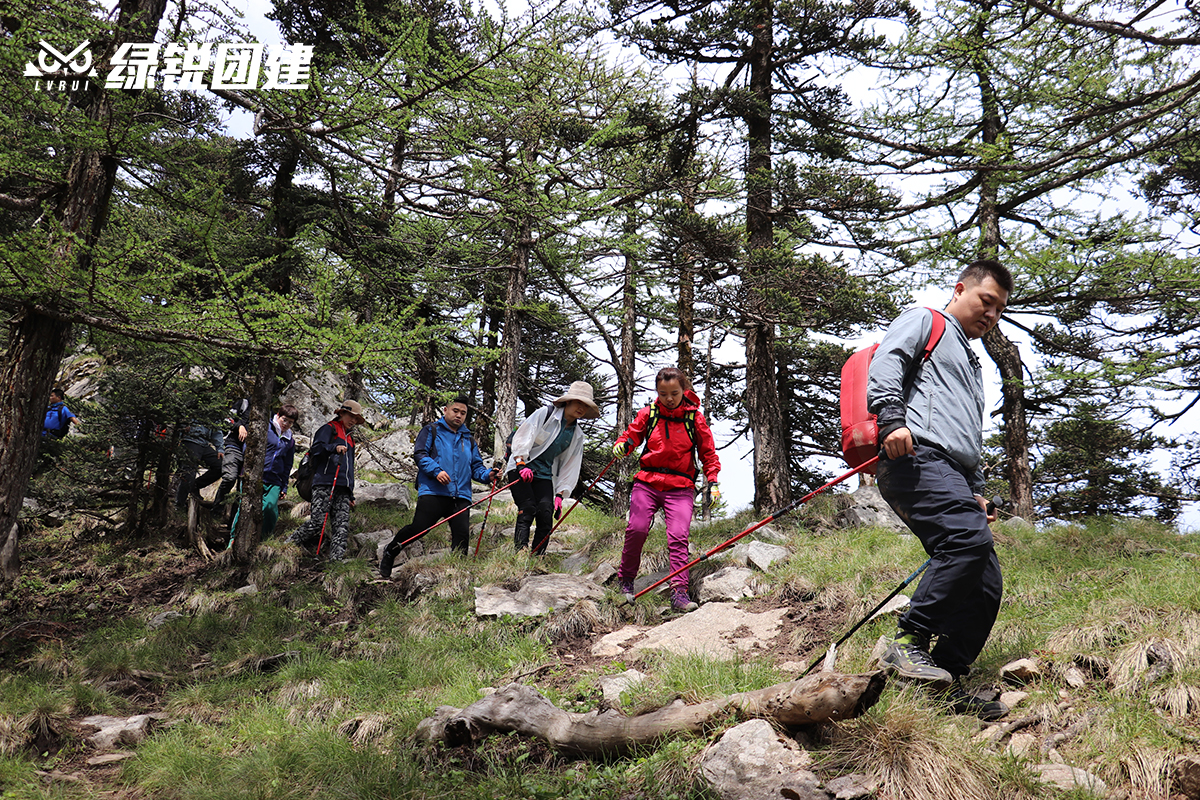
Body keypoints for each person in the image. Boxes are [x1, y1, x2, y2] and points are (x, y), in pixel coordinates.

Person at [867, 258, 1012, 721]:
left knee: (985, 583)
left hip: (951, 469)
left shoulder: (972, 363)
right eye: (986, 301)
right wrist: (891, 416)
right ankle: (907, 642)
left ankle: (945, 680)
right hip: (914, 457)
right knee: (965, 542)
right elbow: (887, 361)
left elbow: (965, 435)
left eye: (999, 310)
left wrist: (977, 490)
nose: (991, 315)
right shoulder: (925, 320)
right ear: (960, 289)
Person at [612, 367, 720, 612]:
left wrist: (712, 482)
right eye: (663, 393)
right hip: (647, 482)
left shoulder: (695, 418)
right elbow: (630, 437)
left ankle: (679, 593)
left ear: (684, 390)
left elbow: (708, 454)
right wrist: (622, 445)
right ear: (656, 392)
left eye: (674, 392)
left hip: (681, 486)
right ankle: (626, 581)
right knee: (636, 528)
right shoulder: (648, 414)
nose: (669, 398)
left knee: (678, 537)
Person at [379, 396, 498, 576]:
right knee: (418, 529)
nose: (459, 415)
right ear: (445, 410)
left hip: (461, 496)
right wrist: (437, 471)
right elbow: (419, 454)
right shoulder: (431, 430)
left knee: (462, 537)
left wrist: (488, 475)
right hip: (433, 491)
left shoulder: (469, 439)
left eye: (463, 413)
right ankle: (390, 551)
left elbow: (476, 467)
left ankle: (457, 576)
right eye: (455, 411)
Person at [503, 382, 600, 556]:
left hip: (544, 474)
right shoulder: (545, 414)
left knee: (546, 514)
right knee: (528, 507)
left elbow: (571, 464)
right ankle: (520, 553)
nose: (581, 408)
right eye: (579, 402)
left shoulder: (576, 435)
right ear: (568, 401)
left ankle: (537, 557)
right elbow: (524, 435)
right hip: (521, 466)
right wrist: (520, 463)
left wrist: (561, 493)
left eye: (586, 406)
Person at [286, 400, 364, 563]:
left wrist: (350, 493)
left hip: (343, 488)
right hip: (324, 482)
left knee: (341, 527)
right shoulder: (329, 429)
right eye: (351, 416)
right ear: (341, 413)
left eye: (356, 419)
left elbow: (350, 468)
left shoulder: (350, 438)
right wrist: (333, 448)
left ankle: (336, 561)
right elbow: (316, 449)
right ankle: (288, 544)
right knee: (317, 522)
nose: (353, 421)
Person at [228, 404, 298, 546]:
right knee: (244, 508)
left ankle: (262, 541)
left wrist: (284, 487)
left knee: (271, 510)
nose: (286, 424)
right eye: (284, 420)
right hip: (253, 476)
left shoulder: (289, 441)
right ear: (277, 415)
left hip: (274, 480)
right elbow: (249, 447)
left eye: (291, 422)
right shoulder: (266, 428)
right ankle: (234, 540)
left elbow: (287, 465)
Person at [213, 397, 251, 518]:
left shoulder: (269, 412)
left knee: (243, 486)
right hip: (233, 446)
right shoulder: (244, 403)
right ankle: (216, 511)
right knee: (229, 478)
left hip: (251, 452)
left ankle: (234, 519)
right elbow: (227, 420)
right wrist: (239, 426)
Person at [175, 420, 224, 509]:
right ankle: (180, 504)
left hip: (204, 443)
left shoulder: (212, 411)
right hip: (190, 440)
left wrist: (220, 448)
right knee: (189, 473)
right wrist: (183, 427)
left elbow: (216, 430)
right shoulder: (191, 406)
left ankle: (195, 486)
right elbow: (180, 418)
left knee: (220, 466)